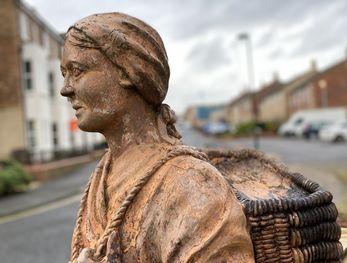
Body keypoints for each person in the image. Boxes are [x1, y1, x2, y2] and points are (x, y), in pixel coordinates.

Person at [60, 12, 254, 263]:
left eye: (77, 70)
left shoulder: (192, 184)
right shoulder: (102, 175)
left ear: (127, 72)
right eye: (64, 73)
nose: (65, 88)